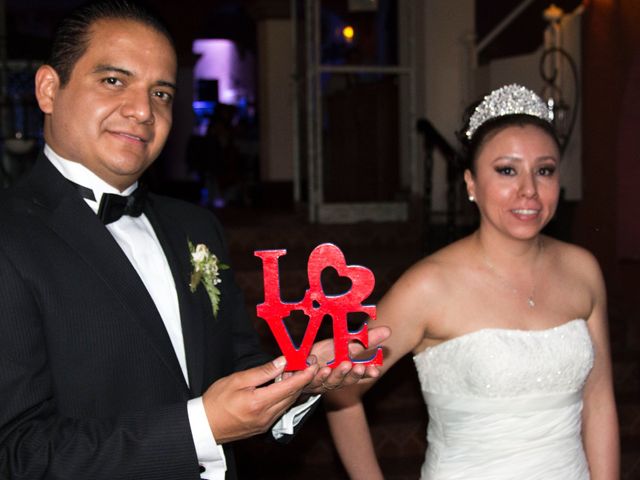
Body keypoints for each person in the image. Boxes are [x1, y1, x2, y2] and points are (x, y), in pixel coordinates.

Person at [0, 2, 389, 479]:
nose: (143, 111)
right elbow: (17, 454)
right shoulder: (11, 236)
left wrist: (301, 375)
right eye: (114, 81)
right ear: (48, 89)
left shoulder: (196, 226)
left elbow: (232, 365)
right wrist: (200, 427)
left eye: (161, 92)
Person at [324, 84, 619, 479]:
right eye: (507, 170)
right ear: (470, 184)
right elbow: (342, 389)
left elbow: (599, 401)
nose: (529, 190)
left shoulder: (583, 269)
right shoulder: (428, 285)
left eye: (544, 170)